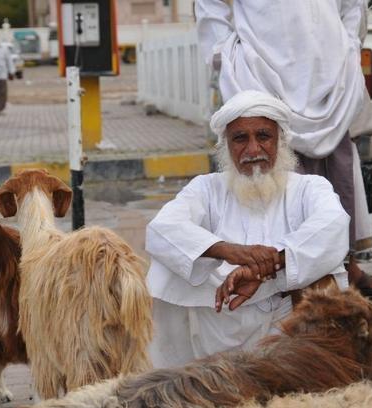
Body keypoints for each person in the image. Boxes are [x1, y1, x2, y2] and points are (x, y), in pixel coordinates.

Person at [195, 0, 372, 296]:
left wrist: (349, 45)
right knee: (274, 177)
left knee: (339, 174)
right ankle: (277, 275)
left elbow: (353, 6)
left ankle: (344, 268)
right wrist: (228, 55)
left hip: (329, 78)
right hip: (262, 72)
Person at [145, 90, 350, 368]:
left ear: (281, 140)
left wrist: (269, 267)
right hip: (216, 320)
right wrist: (231, 252)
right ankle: (173, 375)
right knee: (167, 264)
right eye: (240, 139)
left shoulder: (308, 188)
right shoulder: (206, 188)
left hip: (288, 320)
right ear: (226, 146)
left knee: (326, 275)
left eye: (263, 136)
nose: (253, 150)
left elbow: (333, 226)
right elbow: (162, 228)